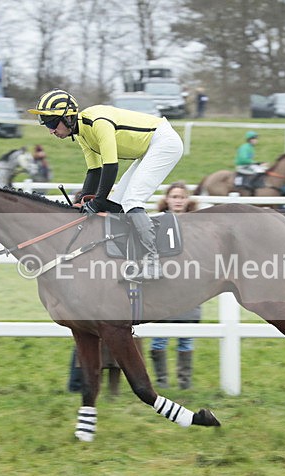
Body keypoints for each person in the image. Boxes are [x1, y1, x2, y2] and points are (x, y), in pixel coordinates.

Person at [28, 88, 184, 281]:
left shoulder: (97, 122)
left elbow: (111, 166)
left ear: (68, 117)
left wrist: (98, 202)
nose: (51, 130)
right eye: (47, 125)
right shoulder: (81, 134)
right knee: (117, 204)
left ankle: (153, 261)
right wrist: (82, 202)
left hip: (164, 142)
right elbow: (95, 172)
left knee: (132, 200)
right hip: (149, 147)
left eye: (52, 123)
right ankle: (132, 259)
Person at [149, 182, 201, 389]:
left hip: (189, 288)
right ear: (167, 199)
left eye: (182, 197)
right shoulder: (155, 223)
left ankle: (184, 384)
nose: (178, 200)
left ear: (187, 200)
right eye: (174, 196)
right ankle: (162, 383)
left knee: (185, 339)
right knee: (159, 339)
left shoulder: (197, 225)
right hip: (163, 288)